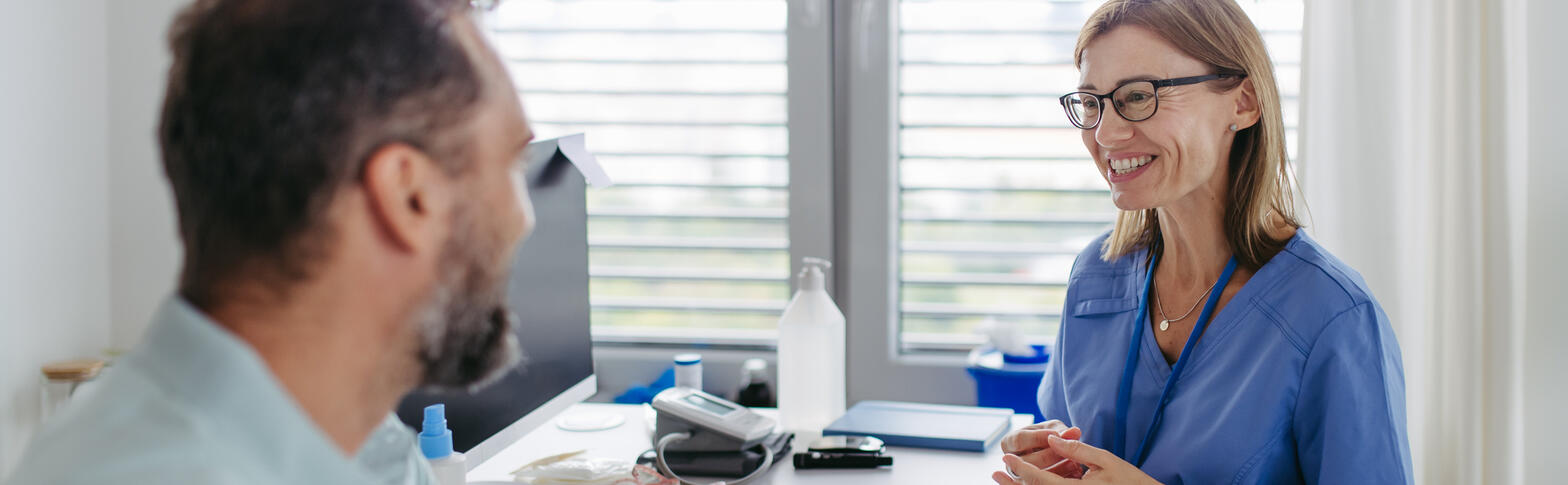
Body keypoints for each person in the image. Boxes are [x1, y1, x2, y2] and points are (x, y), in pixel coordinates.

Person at [6, 0, 536, 483]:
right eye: (511, 163)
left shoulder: (365, 446)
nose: (523, 219)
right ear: (409, 196)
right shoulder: (155, 471)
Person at [991, 1, 1412, 484]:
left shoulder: (1334, 318)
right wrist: (1049, 463)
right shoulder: (1095, 276)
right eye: (1091, 103)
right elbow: (1073, 451)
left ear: (1244, 102)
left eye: (1138, 96)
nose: (1105, 133)